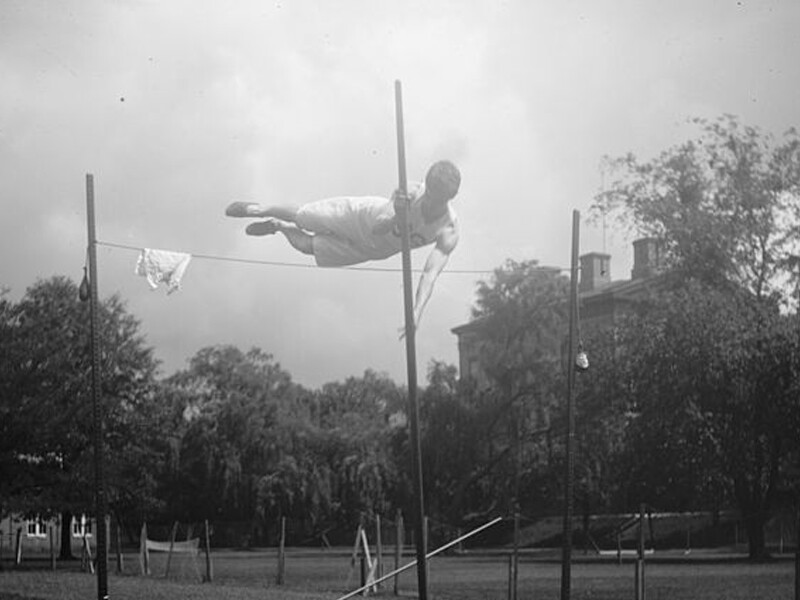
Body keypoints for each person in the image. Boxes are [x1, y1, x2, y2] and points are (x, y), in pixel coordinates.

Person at [225, 160, 461, 331]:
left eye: (437, 200)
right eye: (429, 194)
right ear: (426, 187)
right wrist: (399, 215)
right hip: (362, 216)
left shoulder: (448, 229)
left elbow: (430, 274)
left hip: (376, 250)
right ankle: (256, 209)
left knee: (308, 247)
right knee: (303, 217)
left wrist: (416, 312)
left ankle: (277, 226)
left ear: (449, 198)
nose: (429, 202)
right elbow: (378, 226)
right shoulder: (410, 191)